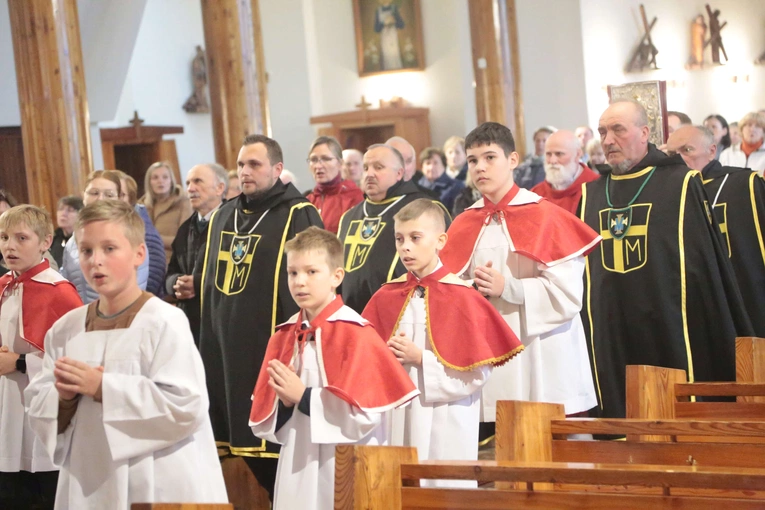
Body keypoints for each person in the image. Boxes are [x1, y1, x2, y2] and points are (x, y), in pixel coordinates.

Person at [25, 200, 227, 509]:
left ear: (139, 254)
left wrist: (104, 387)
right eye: (86, 251)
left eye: (109, 249)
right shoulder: (65, 330)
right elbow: (39, 407)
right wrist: (62, 398)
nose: (96, 262)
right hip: (89, 483)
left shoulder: (164, 322)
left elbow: (186, 406)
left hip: (157, 482)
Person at [580, 100, 753, 418]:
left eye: (618, 129)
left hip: (670, 321)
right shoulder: (591, 194)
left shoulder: (681, 183)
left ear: (645, 133)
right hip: (612, 326)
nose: (607, 140)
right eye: (603, 131)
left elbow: (707, 267)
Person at [439, 122, 601, 442]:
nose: (480, 167)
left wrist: (508, 288)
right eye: (473, 160)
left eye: (489, 157)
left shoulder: (546, 216)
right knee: (510, 445)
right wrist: (469, 291)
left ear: (513, 160)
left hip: (544, 349)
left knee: (562, 451)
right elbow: (448, 290)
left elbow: (569, 295)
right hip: (496, 353)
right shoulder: (464, 222)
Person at [249, 227, 417, 510]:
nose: (300, 282)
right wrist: (286, 404)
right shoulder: (284, 335)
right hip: (298, 463)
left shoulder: (357, 334)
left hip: (347, 464)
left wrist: (303, 397)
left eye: (311, 272)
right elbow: (264, 422)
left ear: (336, 276)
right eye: (292, 273)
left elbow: (364, 417)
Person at [362, 200, 523, 486]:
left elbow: (476, 375)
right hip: (397, 421)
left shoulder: (463, 298)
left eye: (415, 238)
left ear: (440, 240)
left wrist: (421, 359)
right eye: (399, 239)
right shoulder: (387, 296)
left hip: (445, 421)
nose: (405, 247)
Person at [199, 134, 323, 500]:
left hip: (271, 349)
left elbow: (317, 282)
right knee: (236, 447)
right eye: (240, 165)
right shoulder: (223, 214)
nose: (245, 172)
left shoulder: (299, 214)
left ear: (277, 169)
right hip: (224, 352)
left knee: (277, 454)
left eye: (254, 164)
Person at [0, 205, 82, 509]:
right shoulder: (4, 287)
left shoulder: (59, 291)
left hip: (44, 409)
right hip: (6, 407)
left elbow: (76, 356)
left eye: (22, 238)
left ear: (46, 242)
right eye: (4, 237)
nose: (10, 246)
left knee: (46, 492)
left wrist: (20, 363)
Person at [666, 125, 765, 337]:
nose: (679, 159)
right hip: (697, 304)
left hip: (746, 297)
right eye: (672, 154)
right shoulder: (668, 195)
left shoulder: (744, 184)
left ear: (712, 150)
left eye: (687, 150)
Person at [338, 144, 451, 313]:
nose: (369, 174)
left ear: (399, 173)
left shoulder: (424, 209)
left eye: (379, 167)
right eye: (366, 168)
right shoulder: (349, 216)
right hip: (352, 317)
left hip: (407, 313)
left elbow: (447, 263)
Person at [61, 170, 149, 303]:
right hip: (82, 317)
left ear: (118, 198)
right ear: (83, 195)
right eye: (94, 193)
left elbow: (136, 286)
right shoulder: (73, 240)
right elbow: (67, 281)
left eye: (109, 194)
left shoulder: (129, 235)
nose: (100, 199)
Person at [166, 163, 227, 347]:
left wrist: (199, 283)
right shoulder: (186, 229)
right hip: (191, 323)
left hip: (220, 322)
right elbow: (171, 272)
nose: (190, 188)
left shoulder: (235, 225)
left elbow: (241, 275)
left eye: (198, 181)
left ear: (219, 188)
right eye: (188, 183)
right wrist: (176, 284)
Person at [115, 170, 165, 297]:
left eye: (121, 194)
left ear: (130, 200)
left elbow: (153, 277)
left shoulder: (145, 231)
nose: (114, 199)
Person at [531, 130, 600, 214]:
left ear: (577, 154)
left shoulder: (598, 188)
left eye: (559, 154)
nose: (553, 161)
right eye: (548, 154)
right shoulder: (535, 195)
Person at [305, 136, 363, 234]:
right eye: (314, 160)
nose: (318, 166)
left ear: (340, 163)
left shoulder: (354, 197)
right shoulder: (307, 201)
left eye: (326, 159)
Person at [139, 162, 193, 263]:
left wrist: (151, 239)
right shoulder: (142, 206)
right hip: (147, 263)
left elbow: (184, 241)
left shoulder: (183, 202)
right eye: (155, 178)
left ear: (171, 180)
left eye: (165, 177)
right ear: (149, 182)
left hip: (173, 263)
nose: (160, 181)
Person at [418, 147, 465, 212]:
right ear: (422, 167)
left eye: (436, 163)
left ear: (444, 165)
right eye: (428, 163)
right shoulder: (416, 187)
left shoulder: (456, 187)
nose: (431, 167)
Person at [51, 196, 83, 268]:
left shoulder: (83, 239)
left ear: (80, 215)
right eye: (60, 209)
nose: (63, 213)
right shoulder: (52, 239)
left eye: (70, 210)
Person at [374, 0, 405, 70]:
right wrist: (384, 23)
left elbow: (402, 25)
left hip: (393, 37)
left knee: (395, 56)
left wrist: (394, 21)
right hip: (385, 38)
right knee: (387, 57)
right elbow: (376, 29)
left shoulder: (394, 9)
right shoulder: (378, 11)